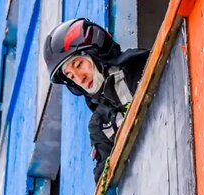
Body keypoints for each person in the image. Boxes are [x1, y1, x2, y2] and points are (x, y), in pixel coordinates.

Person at [43, 18, 149, 181]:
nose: (79, 78)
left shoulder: (140, 66)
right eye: (70, 76)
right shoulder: (99, 126)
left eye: (78, 65)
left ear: (97, 53)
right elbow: (104, 183)